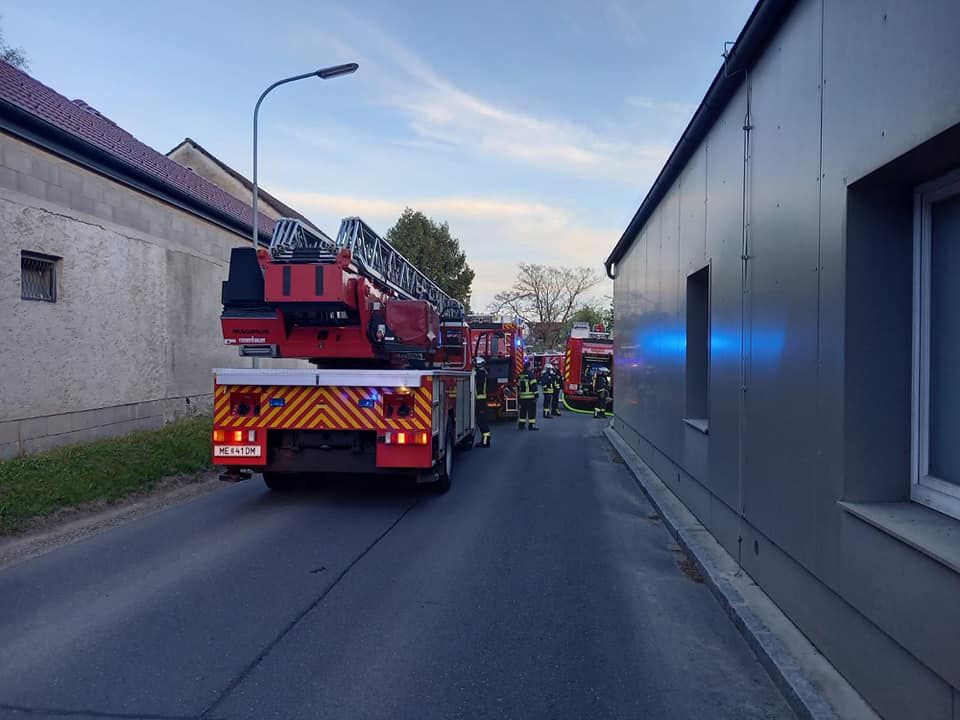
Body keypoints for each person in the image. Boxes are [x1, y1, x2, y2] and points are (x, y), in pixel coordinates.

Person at [517, 359, 540, 431]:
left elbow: (518, 386)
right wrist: (536, 395)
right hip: (530, 397)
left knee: (522, 412)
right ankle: (531, 425)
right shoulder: (531, 375)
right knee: (531, 412)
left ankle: (521, 425)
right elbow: (534, 386)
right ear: (529, 367)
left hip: (522, 397)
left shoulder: (520, 375)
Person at [474, 356, 491, 448]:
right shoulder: (483, 372)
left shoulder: (480, 374)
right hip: (481, 401)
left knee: (482, 422)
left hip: (480, 402)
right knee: (482, 421)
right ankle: (485, 441)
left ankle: (485, 442)